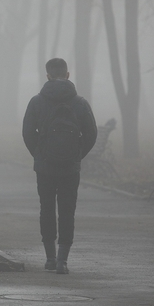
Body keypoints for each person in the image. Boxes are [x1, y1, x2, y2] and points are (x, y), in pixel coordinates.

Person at [22, 58, 96, 274]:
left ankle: (49, 258)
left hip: (45, 166)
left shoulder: (36, 102)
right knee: (67, 210)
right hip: (70, 168)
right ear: (67, 74)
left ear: (48, 76)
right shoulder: (80, 103)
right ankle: (63, 261)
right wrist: (77, 155)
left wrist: (39, 154)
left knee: (46, 209)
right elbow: (91, 134)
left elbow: (27, 133)